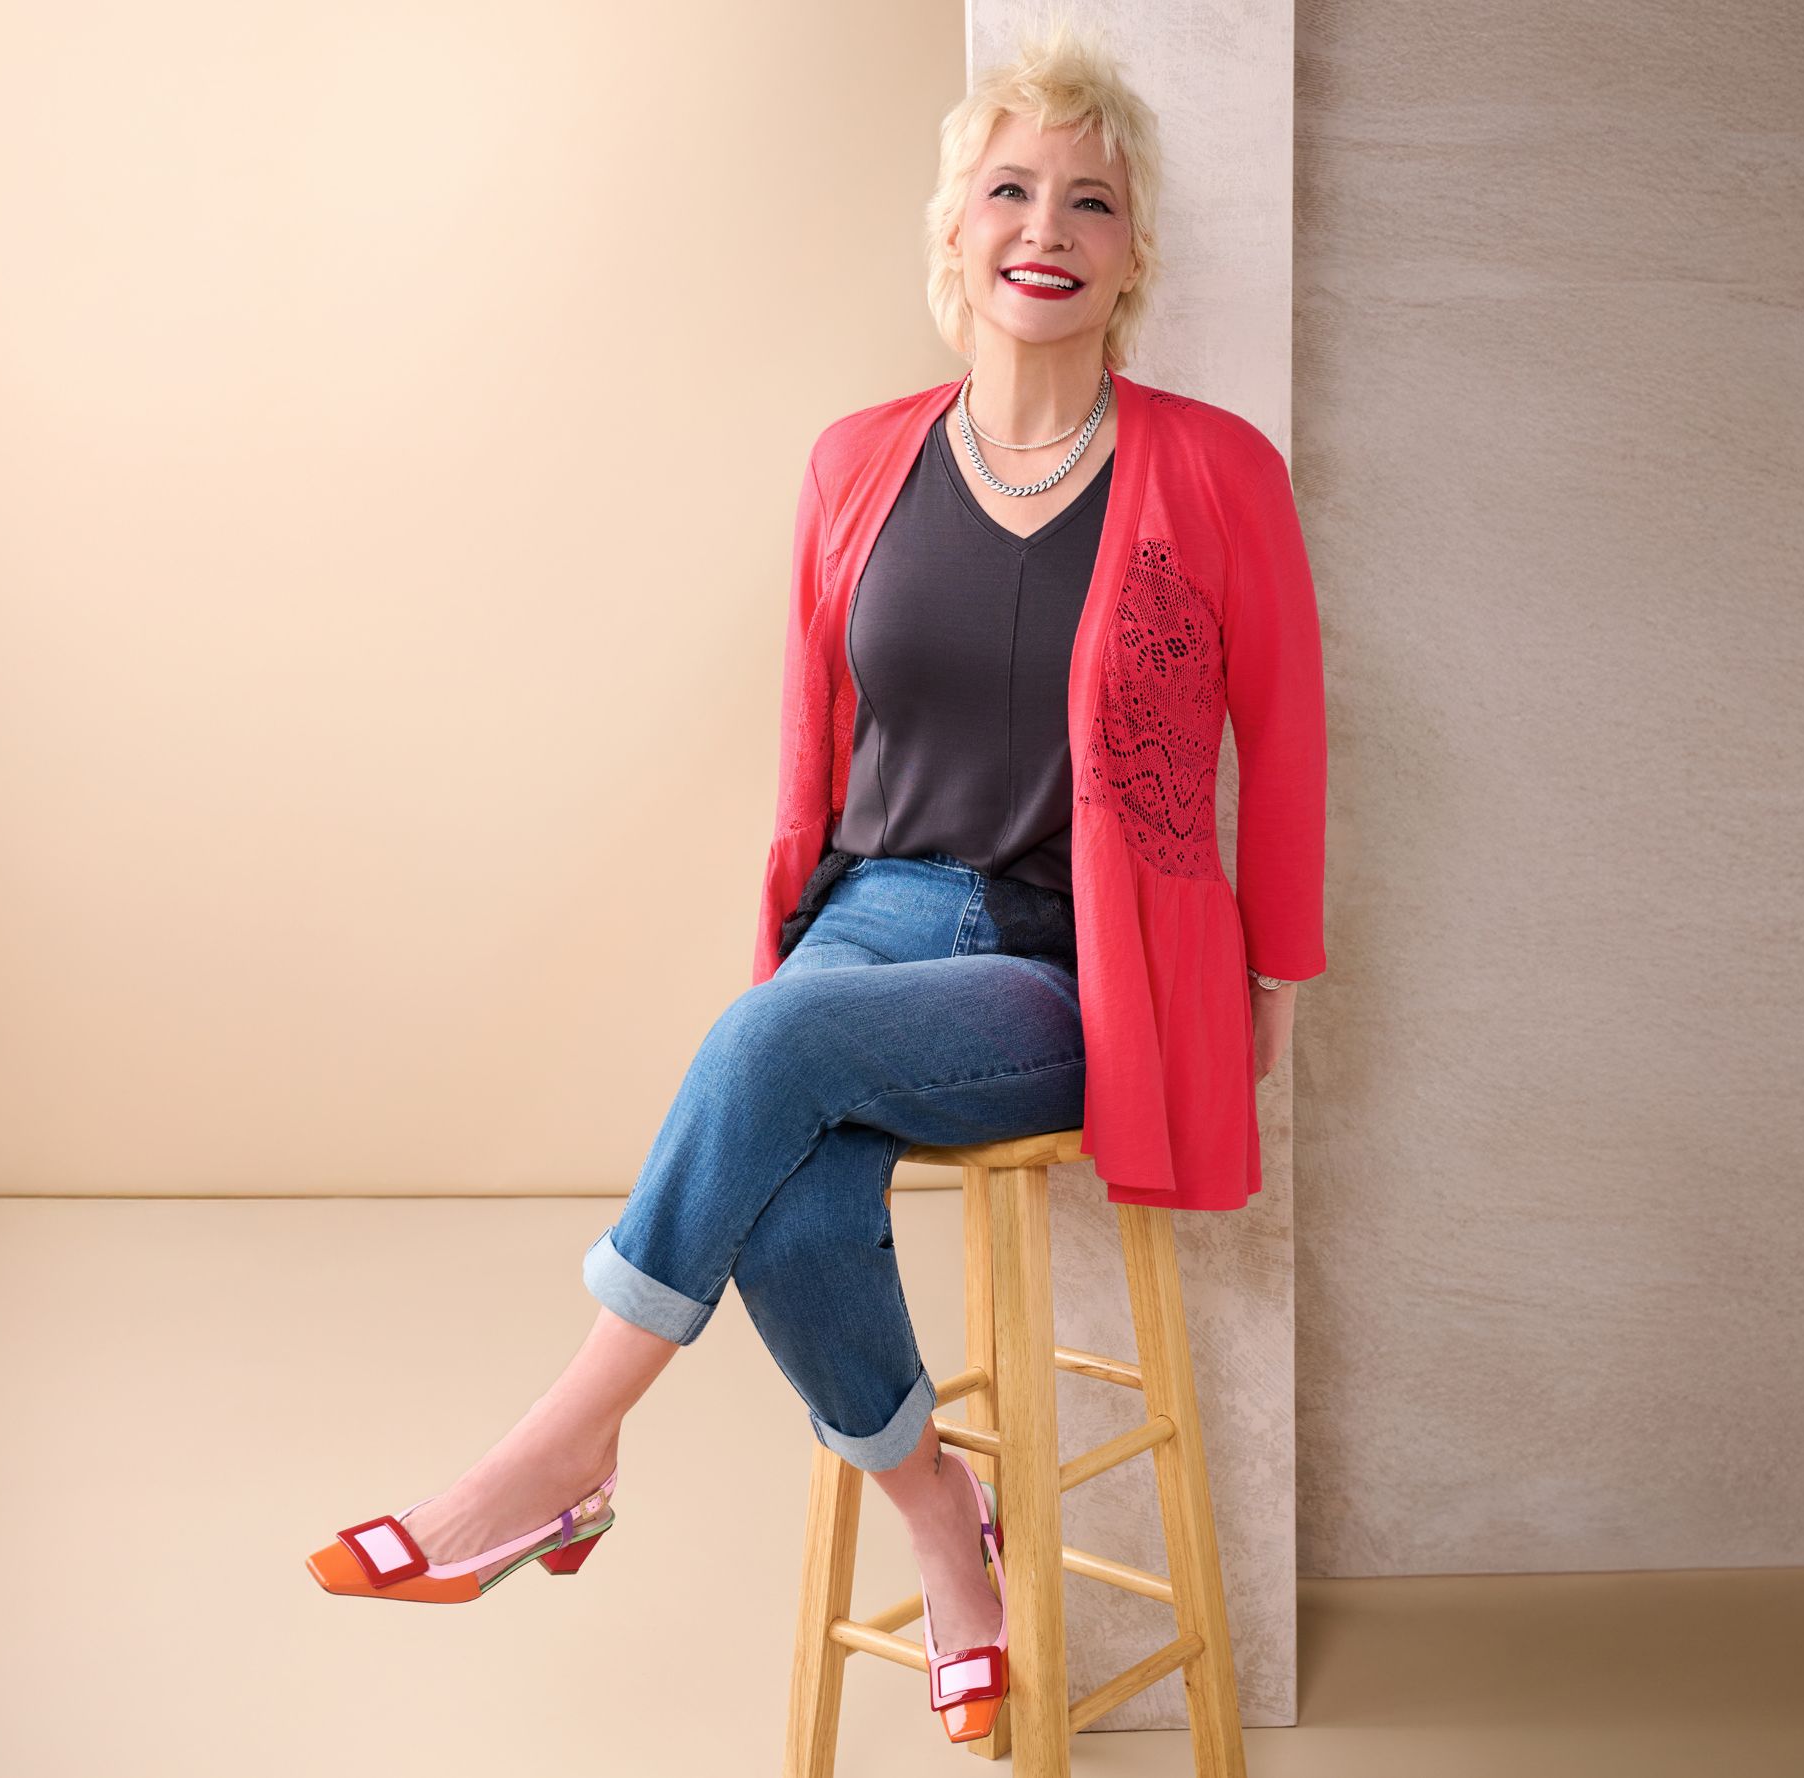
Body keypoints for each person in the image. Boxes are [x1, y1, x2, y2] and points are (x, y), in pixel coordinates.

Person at [307, 17, 1326, 1747]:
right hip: (865, 923)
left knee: (763, 1049)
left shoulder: (1214, 469)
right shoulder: (859, 461)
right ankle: (945, 1525)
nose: (1048, 228)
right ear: (956, 231)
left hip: (1065, 966)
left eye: (1090, 200)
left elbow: (1287, 733)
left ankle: (557, 1448)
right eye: (1011, 190)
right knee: (783, 1179)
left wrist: (1273, 974)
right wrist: (793, 944)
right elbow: (811, 744)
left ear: (1133, 252)